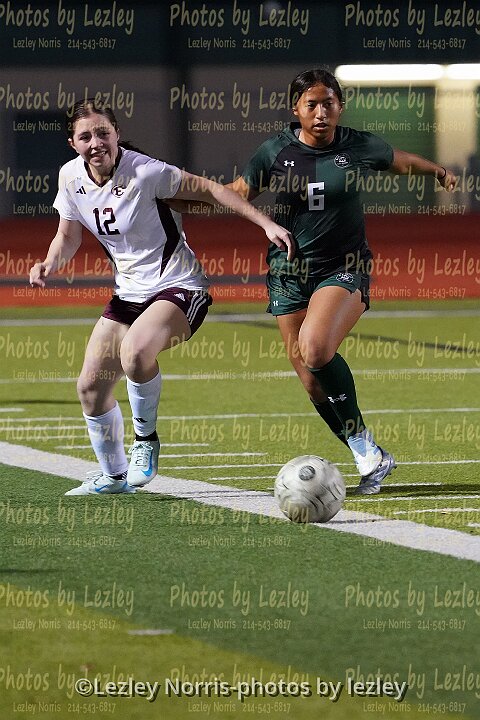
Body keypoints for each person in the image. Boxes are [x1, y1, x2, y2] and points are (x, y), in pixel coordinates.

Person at [29, 99, 293, 496]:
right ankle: (114, 477)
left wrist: (265, 223)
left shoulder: (146, 171)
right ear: (73, 143)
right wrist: (49, 262)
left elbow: (213, 191)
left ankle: (145, 440)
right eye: (85, 136)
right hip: (129, 294)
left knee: (136, 353)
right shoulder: (70, 177)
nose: (96, 142)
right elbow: (67, 236)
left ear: (117, 134)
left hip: (180, 286)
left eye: (103, 133)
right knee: (90, 389)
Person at [225, 67, 456, 494]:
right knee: (312, 380)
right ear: (295, 109)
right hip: (288, 273)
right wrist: (181, 195)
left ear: (340, 106)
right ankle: (367, 450)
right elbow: (239, 192)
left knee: (315, 348)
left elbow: (400, 161)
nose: (320, 113)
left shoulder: (357, 144)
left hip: (343, 266)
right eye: (311, 104)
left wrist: (436, 171)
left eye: (328, 103)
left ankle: (366, 454)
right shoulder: (275, 150)